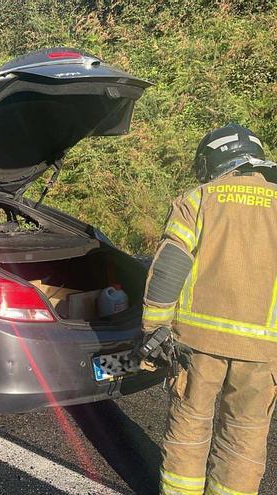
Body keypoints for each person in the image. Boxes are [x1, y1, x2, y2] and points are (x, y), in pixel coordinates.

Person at [141, 124, 277, 495]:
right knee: (245, 438)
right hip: (262, 354)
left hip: (197, 346)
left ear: (216, 159)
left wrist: (155, 326)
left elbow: (170, 267)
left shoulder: (200, 200)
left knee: (189, 428)